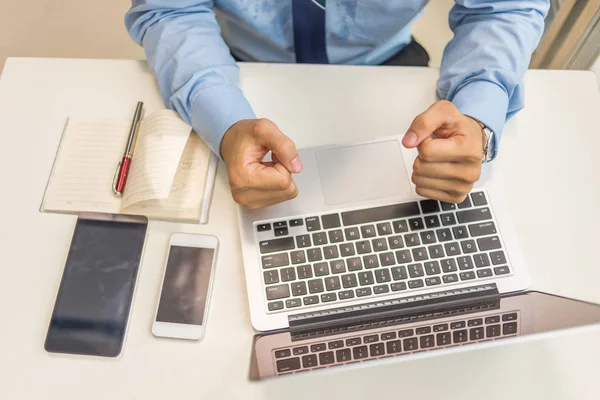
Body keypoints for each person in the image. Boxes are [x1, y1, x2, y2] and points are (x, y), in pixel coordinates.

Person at [126, 0, 548, 209]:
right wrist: (224, 122)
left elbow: (505, 8)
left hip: (386, 64)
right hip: (239, 65)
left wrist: (479, 116)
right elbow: (170, 11)